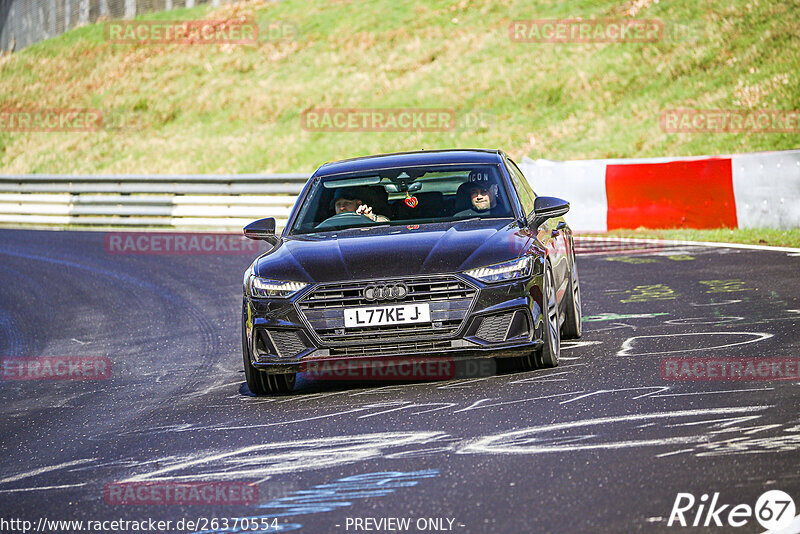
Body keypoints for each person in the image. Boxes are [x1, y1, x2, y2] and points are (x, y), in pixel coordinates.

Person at [316, 187, 389, 229]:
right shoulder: (327, 225)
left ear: (358, 203)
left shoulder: (370, 217)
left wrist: (371, 219)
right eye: (338, 204)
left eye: (347, 203)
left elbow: (387, 224)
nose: (342, 208)